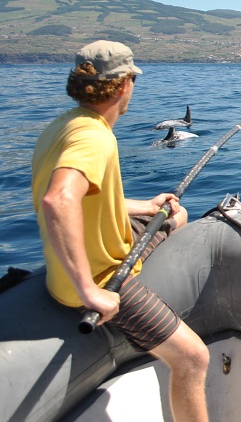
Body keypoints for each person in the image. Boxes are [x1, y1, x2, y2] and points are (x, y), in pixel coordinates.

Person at [31, 40, 209, 422]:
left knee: (174, 215)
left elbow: (84, 197)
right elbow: (59, 201)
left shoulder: (66, 124)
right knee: (193, 358)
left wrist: (145, 207)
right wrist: (89, 292)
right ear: (124, 84)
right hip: (103, 278)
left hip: (87, 256)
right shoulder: (94, 137)